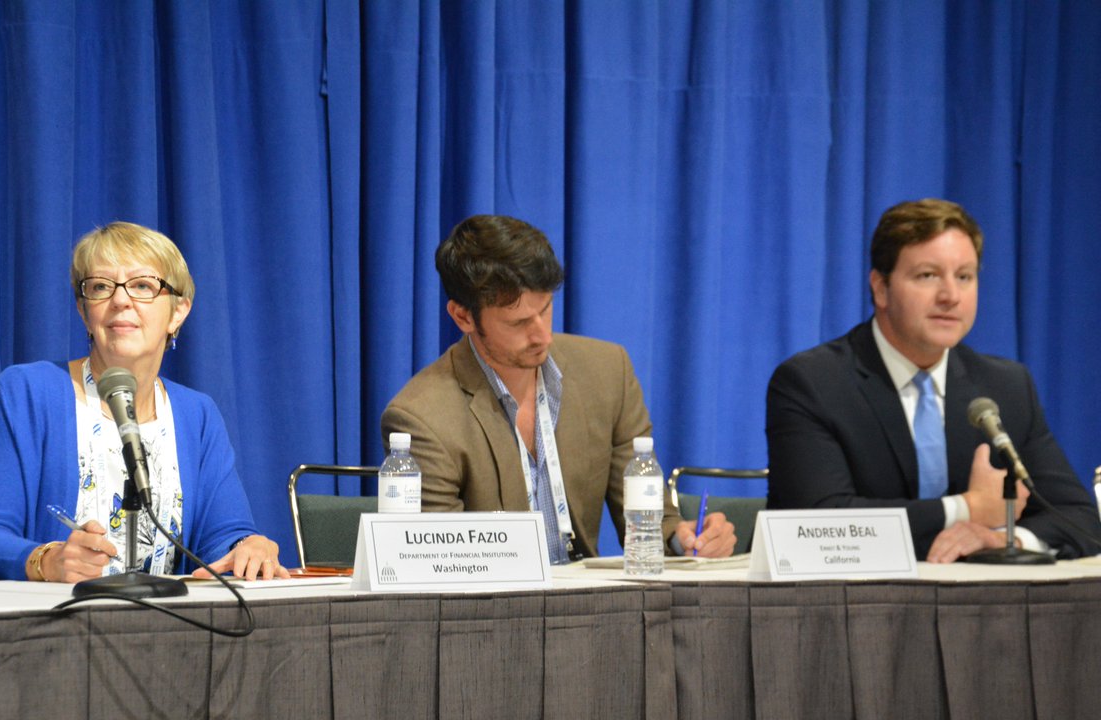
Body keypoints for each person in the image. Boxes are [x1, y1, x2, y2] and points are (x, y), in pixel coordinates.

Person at [380, 214, 736, 562]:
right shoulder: (422, 418)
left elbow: (650, 519)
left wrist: (684, 539)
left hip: (588, 594)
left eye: (546, 309)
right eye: (519, 323)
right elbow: (439, 562)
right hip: (499, 598)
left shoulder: (608, 372)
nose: (542, 335)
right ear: (463, 317)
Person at [766, 198, 1101, 562]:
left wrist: (1007, 540)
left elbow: (1078, 518)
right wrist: (966, 509)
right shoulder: (813, 383)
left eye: (964, 277)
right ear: (880, 288)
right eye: (927, 275)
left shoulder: (1006, 386)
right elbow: (815, 525)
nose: (950, 296)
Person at [0, 222, 289, 582]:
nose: (120, 300)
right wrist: (46, 560)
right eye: (100, 287)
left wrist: (248, 546)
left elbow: (223, 536)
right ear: (85, 311)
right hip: (55, 613)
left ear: (178, 312)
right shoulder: (27, 392)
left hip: (167, 615)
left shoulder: (197, 415)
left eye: (143, 286)